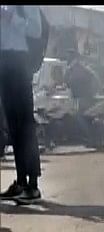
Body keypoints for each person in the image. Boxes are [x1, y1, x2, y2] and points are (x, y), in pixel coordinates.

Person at [0, 5, 43, 203]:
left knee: (25, 123)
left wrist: (13, 19)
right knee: (13, 125)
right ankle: (20, 181)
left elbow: (36, 30)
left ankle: (32, 185)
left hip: (20, 61)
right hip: (4, 60)